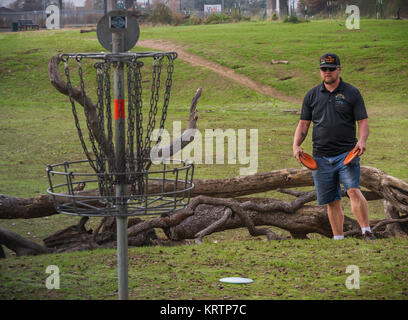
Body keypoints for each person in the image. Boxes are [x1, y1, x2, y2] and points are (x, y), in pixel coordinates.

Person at [293, 53, 375, 240]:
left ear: (339, 69)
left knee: (353, 190)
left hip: (347, 153)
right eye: (324, 69)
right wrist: (296, 145)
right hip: (320, 157)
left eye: (331, 68)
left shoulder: (351, 93)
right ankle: (338, 239)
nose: (327, 72)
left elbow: (362, 121)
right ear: (320, 71)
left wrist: (362, 141)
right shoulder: (312, 95)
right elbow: (303, 124)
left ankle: (367, 231)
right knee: (331, 200)